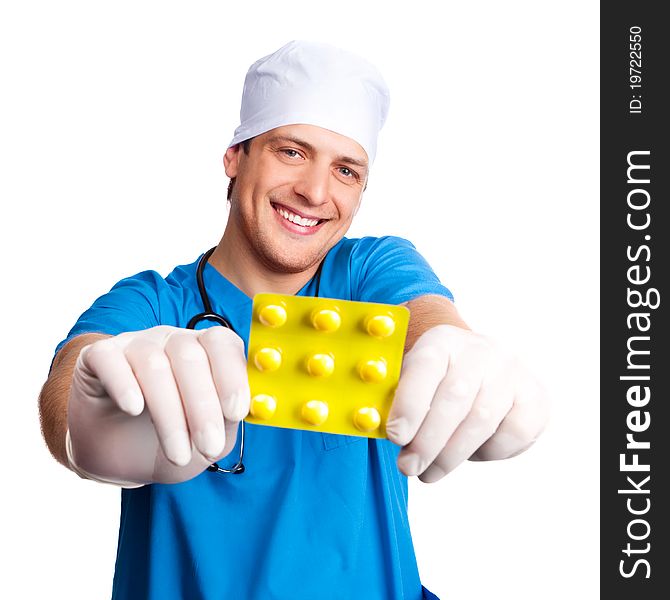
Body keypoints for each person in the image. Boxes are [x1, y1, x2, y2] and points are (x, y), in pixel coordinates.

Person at [39, 41, 549, 600]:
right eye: (291, 151)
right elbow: (70, 383)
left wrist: (454, 347)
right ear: (235, 156)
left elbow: (423, 312)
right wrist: (89, 427)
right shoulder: (153, 302)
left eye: (346, 170)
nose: (315, 191)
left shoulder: (367, 272)